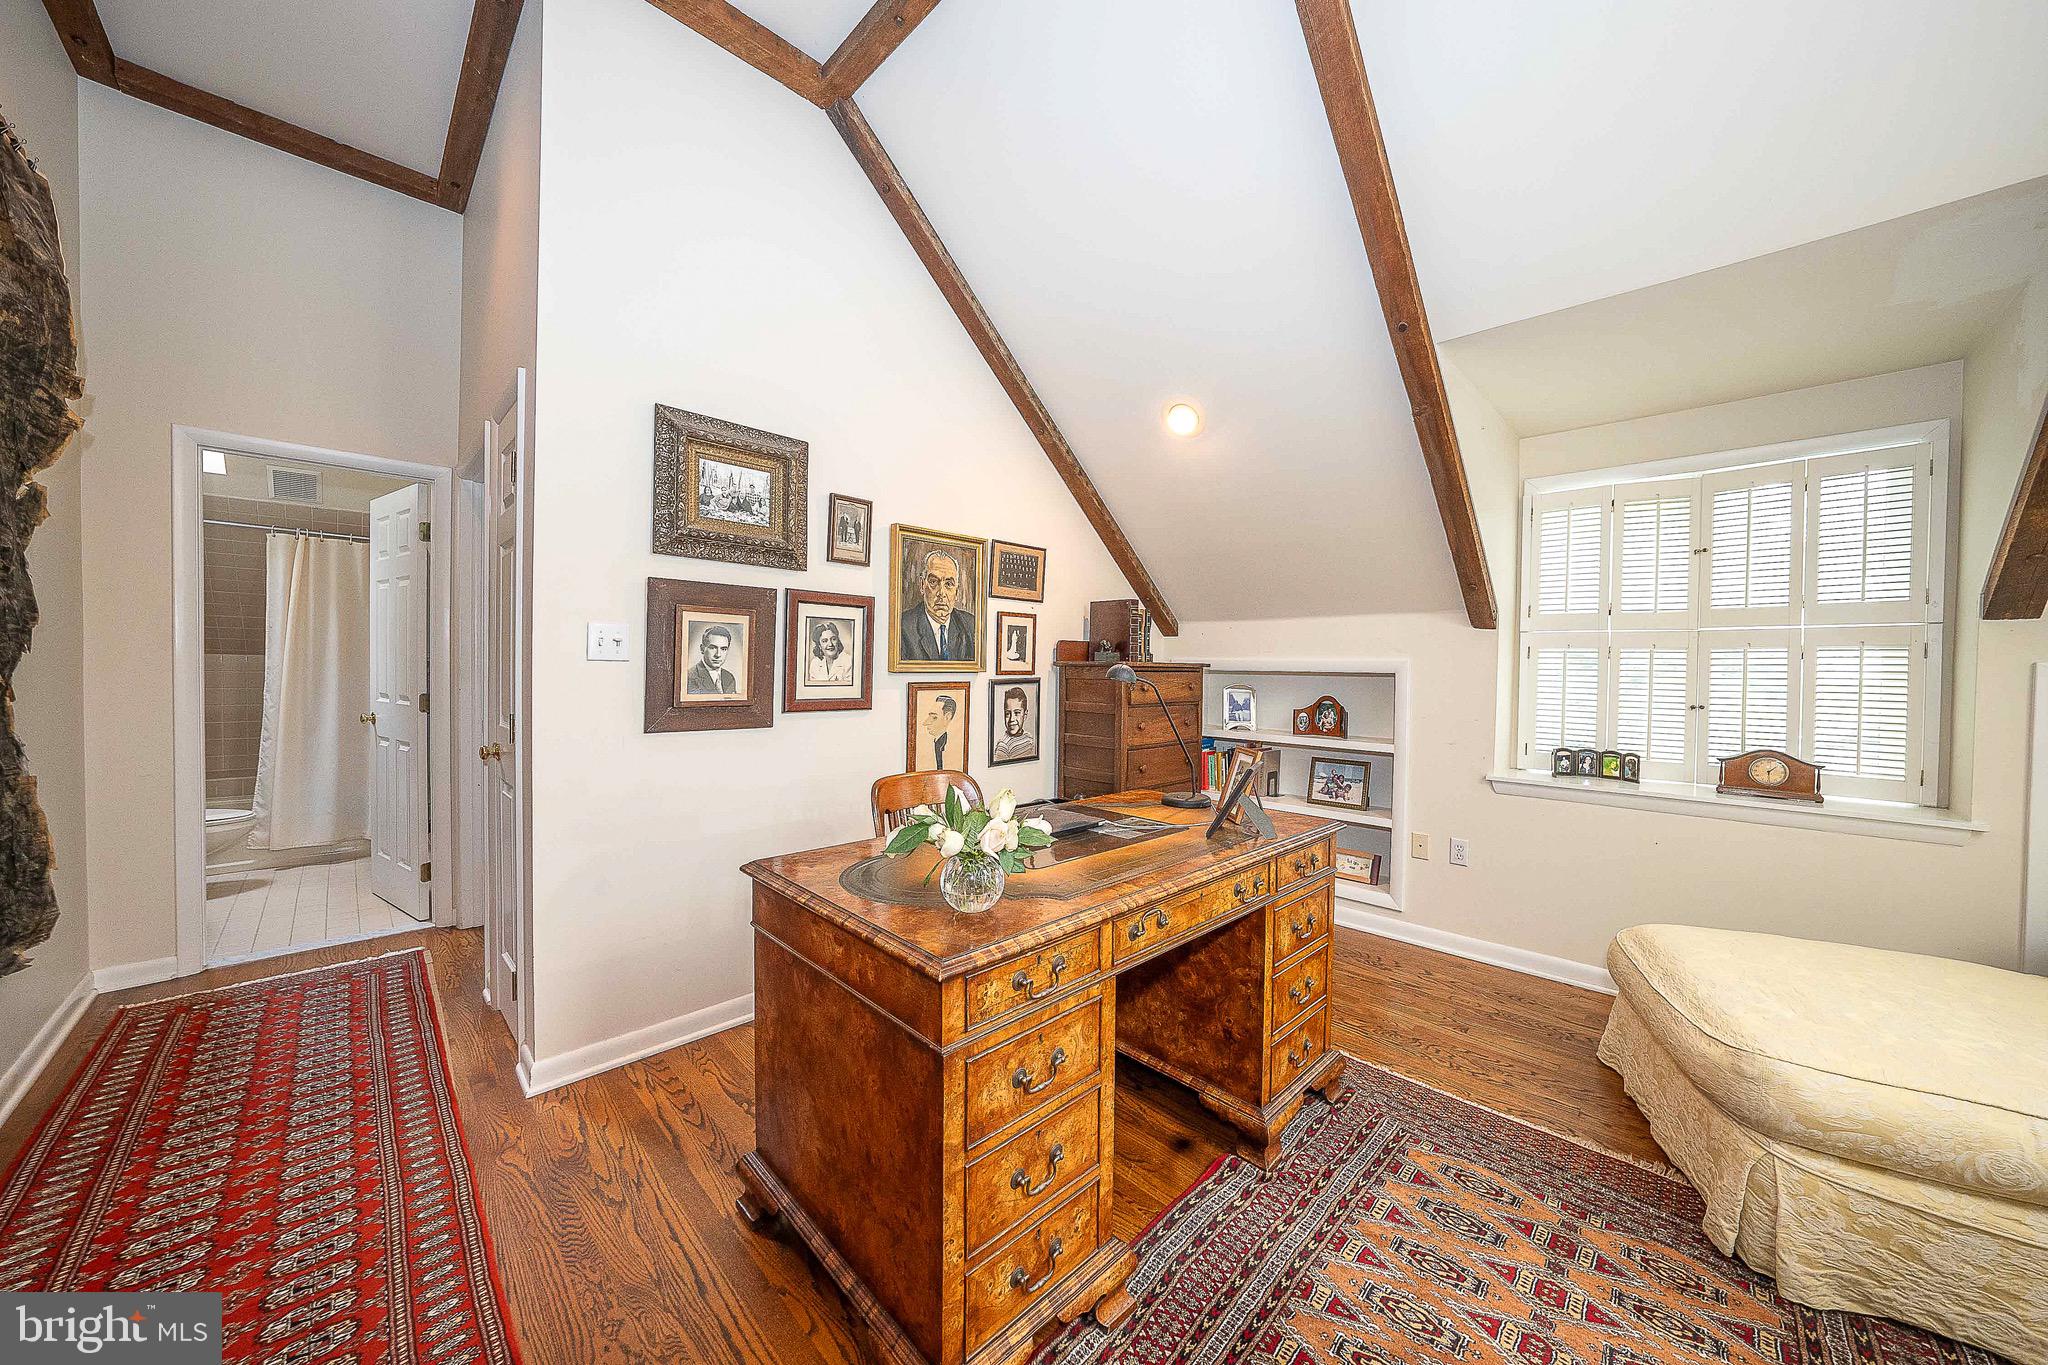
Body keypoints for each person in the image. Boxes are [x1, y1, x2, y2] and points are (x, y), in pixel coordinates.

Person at [899, 547, 976, 662]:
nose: (942, 593)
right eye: (934, 582)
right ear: (922, 586)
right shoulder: (903, 626)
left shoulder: (971, 625)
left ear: (957, 591)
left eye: (949, 584)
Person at [686, 624, 739, 695]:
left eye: (723, 649)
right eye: (713, 648)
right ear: (702, 649)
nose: (718, 655)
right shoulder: (689, 678)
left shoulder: (729, 677)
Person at [993, 687, 1034, 761]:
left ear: (1025, 715)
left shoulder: (1029, 738)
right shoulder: (1003, 746)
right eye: (1008, 713)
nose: (1011, 719)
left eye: (1017, 713)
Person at [807, 620, 853, 685]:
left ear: (838, 640)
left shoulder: (849, 661)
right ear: (819, 645)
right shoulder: (815, 664)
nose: (830, 644)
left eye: (833, 639)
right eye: (824, 641)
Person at [921, 694, 957, 769]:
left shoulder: (952, 751)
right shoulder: (933, 743)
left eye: (934, 717)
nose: (925, 723)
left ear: (947, 717)